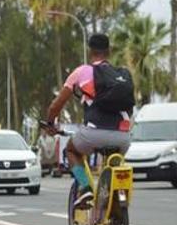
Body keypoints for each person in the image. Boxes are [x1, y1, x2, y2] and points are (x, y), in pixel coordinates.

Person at [46, 33, 132, 208]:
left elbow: (56, 105)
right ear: (109, 51)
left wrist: (50, 124)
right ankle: (114, 218)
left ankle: (85, 187)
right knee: (112, 167)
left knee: (71, 150)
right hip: (123, 137)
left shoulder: (82, 72)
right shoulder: (122, 74)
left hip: (93, 133)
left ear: (90, 51)